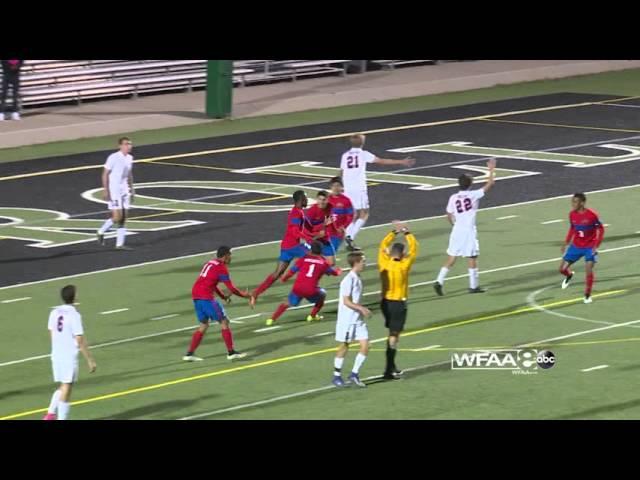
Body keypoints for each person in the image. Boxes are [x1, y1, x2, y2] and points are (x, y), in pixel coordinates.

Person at [340, 133, 414, 251]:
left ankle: (349, 237)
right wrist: (401, 161)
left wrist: (342, 187)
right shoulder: (363, 154)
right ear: (361, 142)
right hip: (359, 188)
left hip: (348, 188)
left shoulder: (345, 155)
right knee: (364, 214)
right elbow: (382, 161)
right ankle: (350, 237)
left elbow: (342, 172)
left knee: (353, 215)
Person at [433, 159, 496, 296]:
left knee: (451, 257)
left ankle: (439, 280)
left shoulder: (453, 197)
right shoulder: (473, 195)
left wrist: (454, 224)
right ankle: (473, 286)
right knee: (472, 257)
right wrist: (491, 169)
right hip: (468, 231)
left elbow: (449, 214)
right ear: (470, 184)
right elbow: (490, 183)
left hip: (457, 230)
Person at [184, 246, 250, 361]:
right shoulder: (221, 268)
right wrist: (245, 295)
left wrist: (223, 297)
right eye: (230, 255)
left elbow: (213, 284)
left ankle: (189, 354)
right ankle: (231, 352)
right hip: (206, 297)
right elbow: (232, 288)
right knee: (224, 321)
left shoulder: (211, 262)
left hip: (196, 295)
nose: (231, 258)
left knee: (203, 325)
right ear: (225, 256)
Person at [250, 190, 315, 306]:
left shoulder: (298, 211)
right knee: (313, 256)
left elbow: (307, 227)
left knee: (277, 273)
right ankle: (305, 286)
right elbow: (295, 231)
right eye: (306, 198)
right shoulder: (296, 213)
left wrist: (319, 229)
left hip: (286, 246)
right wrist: (308, 239)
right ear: (301, 199)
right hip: (294, 246)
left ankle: (255, 293)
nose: (307, 200)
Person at [43, 285, 96, 420]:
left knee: (63, 385)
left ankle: (50, 414)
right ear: (74, 296)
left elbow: (51, 331)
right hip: (68, 355)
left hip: (56, 353)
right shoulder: (74, 314)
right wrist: (90, 359)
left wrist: (58, 345)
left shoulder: (54, 312)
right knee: (67, 387)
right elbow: (79, 339)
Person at [265, 241, 341, 326]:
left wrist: (284, 279)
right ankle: (312, 316)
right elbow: (333, 273)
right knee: (322, 295)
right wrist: (338, 271)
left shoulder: (303, 259)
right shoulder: (323, 263)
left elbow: (291, 271)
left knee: (287, 303)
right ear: (321, 251)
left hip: (298, 288)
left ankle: (271, 319)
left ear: (311, 250)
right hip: (311, 290)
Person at [378, 221, 418, 380]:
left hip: (385, 303)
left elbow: (382, 244)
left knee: (391, 333)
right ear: (401, 254)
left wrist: (394, 232)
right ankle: (389, 369)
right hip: (398, 304)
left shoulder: (383, 263)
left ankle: (392, 366)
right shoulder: (403, 265)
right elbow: (414, 249)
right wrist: (407, 233)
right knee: (394, 336)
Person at [332, 251, 371, 388]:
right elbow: (346, 301)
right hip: (348, 319)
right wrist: (361, 308)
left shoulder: (357, 277)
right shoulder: (349, 280)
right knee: (344, 345)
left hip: (358, 319)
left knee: (366, 345)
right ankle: (336, 375)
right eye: (363, 261)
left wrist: (361, 310)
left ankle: (354, 374)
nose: (365, 263)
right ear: (356, 262)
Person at [559, 193, 605, 304]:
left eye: (575, 202)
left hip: (589, 246)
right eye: (572, 201)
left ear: (582, 203)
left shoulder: (592, 215)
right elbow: (572, 229)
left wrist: (596, 246)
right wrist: (566, 243)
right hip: (576, 246)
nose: (573, 204)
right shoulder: (572, 215)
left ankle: (587, 295)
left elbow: (601, 229)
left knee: (588, 269)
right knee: (562, 269)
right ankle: (569, 275)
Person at [96, 137, 135, 250]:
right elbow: (105, 174)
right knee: (117, 217)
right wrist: (105, 189)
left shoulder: (130, 158)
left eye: (130, 144)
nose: (129, 146)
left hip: (124, 189)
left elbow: (129, 174)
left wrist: (132, 189)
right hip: (114, 190)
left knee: (124, 218)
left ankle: (119, 244)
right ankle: (100, 231)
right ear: (120, 146)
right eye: (126, 144)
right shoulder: (113, 157)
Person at [323, 177, 354, 266]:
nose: (336, 188)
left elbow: (350, 216)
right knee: (328, 258)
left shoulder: (346, 201)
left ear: (341, 187)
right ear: (330, 187)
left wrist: (344, 226)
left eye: (338, 186)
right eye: (334, 186)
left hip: (337, 233)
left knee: (330, 259)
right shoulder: (326, 199)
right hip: (325, 232)